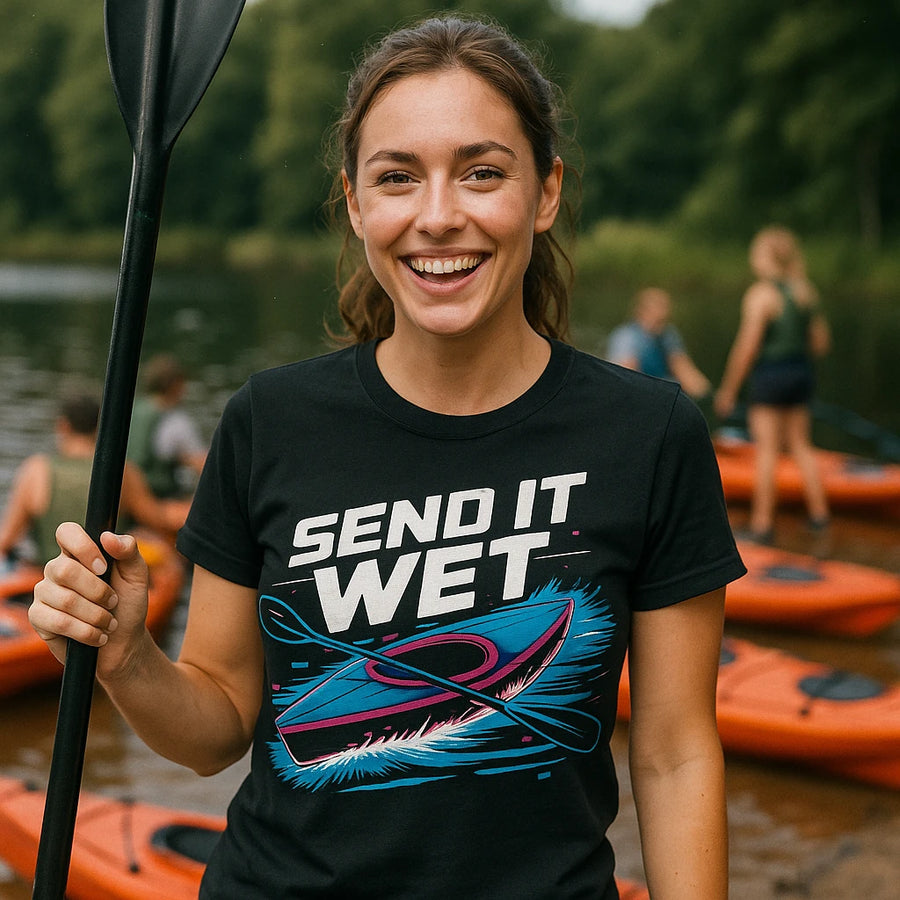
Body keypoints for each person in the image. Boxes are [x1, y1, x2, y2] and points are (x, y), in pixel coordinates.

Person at [30, 16, 744, 899]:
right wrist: (126, 654)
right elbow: (215, 730)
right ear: (357, 203)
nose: (439, 217)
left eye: (483, 173)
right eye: (398, 178)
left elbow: (674, 754)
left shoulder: (648, 432)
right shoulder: (272, 420)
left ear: (546, 191)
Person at [714, 225, 831, 542]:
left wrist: (728, 390)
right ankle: (820, 517)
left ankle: (762, 526)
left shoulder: (761, 294)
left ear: (766, 257)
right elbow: (820, 344)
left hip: (771, 376)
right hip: (800, 374)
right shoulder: (805, 291)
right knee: (801, 446)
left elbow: (747, 348)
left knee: (766, 450)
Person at [0, 394, 189, 565]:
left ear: (63, 426)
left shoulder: (36, 470)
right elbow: (158, 520)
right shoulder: (123, 472)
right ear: (99, 427)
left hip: (49, 582)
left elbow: (7, 539)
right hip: (103, 580)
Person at [606, 286, 711, 400]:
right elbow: (626, 377)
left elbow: (684, 370)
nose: (664, 314)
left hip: (663, 395)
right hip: (640, 398)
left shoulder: (668, 334)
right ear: (641, 311)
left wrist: (710, 395)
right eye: (659, 308)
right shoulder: (626, 337)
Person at [127, 353, 207, 499]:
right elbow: (203, 465)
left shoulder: (132, 411)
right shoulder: (175, 421)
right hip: (158, 499)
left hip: (126, 495)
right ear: (176, 385)